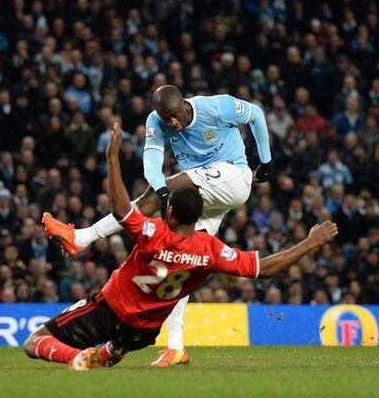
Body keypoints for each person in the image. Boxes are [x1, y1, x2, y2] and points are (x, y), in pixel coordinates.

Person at [26, 123, 338, 371]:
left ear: (170, 212)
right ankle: (114, 350)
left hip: (111, 311)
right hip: (145, 333)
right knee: (123, 343)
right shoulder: (210, 251)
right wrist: (311, 242)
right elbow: (266, 269)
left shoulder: (153, 232)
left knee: (35, 341)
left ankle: (74, 358)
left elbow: (122, 209)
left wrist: (112, 159)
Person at [43, 85, 273, 366]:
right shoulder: (156, 121)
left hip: (234, 176)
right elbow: (151, 161)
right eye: (167, 119)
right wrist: (163, 190)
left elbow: (256, 114)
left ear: (185, 106)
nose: (172, 124)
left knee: (154, 196)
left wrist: (266, 160)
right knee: (181, 262)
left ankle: (82, 237)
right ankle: (175, 346)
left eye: (175, 117)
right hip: (204, 191)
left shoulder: (216, 106)